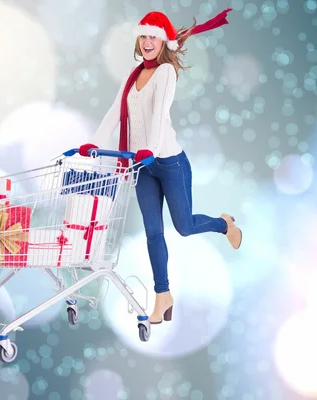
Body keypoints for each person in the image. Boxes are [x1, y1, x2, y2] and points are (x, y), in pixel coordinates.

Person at [78, 8, 242, 325]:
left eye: (154, 35)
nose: (148, 41)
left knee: (183, 227)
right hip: (142, 166)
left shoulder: (166, 72)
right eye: (144, 35)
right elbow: (116, 111)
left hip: (168, 162)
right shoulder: (133, 74)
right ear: (138, 40)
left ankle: (223, 224)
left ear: (164, 41)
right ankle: (162, 294)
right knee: (154, 232)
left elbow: (159, 116)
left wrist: (150, 151)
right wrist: (95, 143)